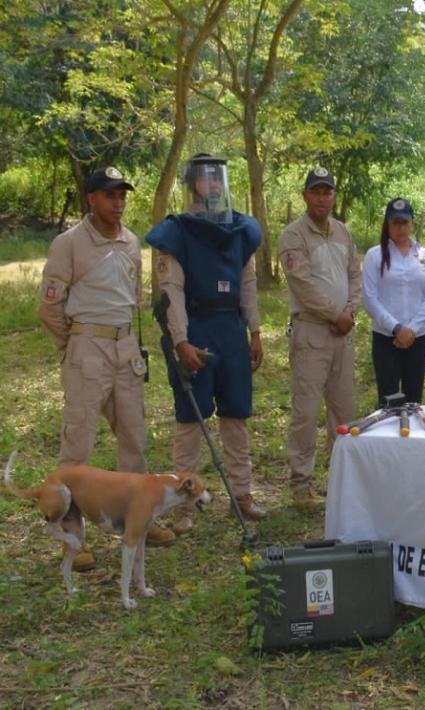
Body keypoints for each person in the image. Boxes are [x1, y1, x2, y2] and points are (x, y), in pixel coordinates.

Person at [38, 166, 175, 571]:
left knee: (134, 435)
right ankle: (71, 537)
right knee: (77, 443)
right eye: (110, 196)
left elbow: (132, 298)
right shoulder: (70, 244)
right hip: (87, 346)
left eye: (122, 196)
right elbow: (48, 307)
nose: (118, 203)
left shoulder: (132, 241)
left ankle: (139, 520)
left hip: (124, 346)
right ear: (91, 199)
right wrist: (75, 343)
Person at [145, 153, 268, 533]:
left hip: (230, 328)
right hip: (197, 328)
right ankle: (182, 504)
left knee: (236, 414)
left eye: (218, 178)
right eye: (205, 178)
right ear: (192, 183)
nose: (213, 185)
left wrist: (255, 330)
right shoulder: (177, 231)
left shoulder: (238, 230)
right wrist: (181, 340)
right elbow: (173, 291)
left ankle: (242, 494)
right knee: (191, 418)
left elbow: (246, 284)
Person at [278, 167, 361, 510]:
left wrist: (351, 312)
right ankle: (301, 485)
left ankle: (344, 481)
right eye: (316, 191)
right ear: (305, 195)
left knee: (345, 413)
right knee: (306, 412)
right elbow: (303, 286)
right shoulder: (292, 236)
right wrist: (335, 314)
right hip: (312, 332)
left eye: (327, 192)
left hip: (343, 334)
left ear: (334, 196)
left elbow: (355, 275)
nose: (322, 197)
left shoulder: (342, 232)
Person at [362, 197, 425, 406]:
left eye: (405, 222)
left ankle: (412, 439)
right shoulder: (374, 256)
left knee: (414, 401)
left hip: (417, 338)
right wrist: (396, 328)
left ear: (411, 223)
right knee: (388, 402)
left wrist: (411, 329)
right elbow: (369, 298)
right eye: (396, 223)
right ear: (388, 224)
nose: (401, 228)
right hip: (386, 338)